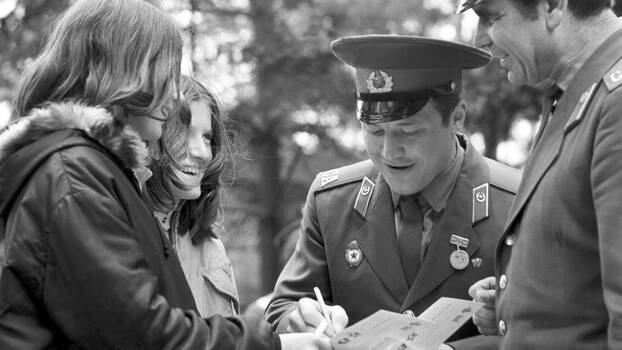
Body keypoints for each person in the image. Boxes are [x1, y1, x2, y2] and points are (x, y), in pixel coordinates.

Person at [0, 1, 329, 349]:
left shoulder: (90, 169)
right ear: (119, 67)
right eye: (165, 73)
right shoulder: (73, 175)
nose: (173, 95)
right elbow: (142, 335)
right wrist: (275, 344)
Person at [266, 34, 521, 349]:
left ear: (457, 118)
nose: (388, 152)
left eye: (408, 132)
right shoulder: (332, 201)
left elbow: (557, 326)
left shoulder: (518, 203)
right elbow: (281, 309)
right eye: (374, 131)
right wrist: (301, 316)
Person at [458, 0, 622, 348]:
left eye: (492, 18)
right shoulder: (575, 93)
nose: (479, 40)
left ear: (553, 7)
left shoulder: (614, 103)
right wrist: (513, 303)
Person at [146, 76, 240, 319]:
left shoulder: (212, 250)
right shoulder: (120, 233)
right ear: (151, 137)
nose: (202, 152)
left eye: (207, 137)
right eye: (185, 133)